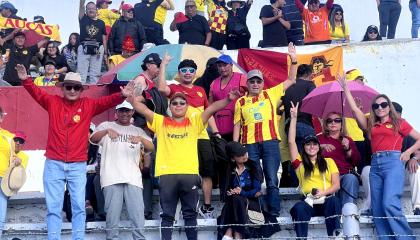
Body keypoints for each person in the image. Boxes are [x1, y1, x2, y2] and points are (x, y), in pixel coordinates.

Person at [16, 63, 134, 240]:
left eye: (76, 88)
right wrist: (26, 80)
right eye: (69, 87)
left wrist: (121, 96)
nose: (72, 90)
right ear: (63, 89)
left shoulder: (88, 105)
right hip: (53, 163)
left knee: (79, 206)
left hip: (77, 165)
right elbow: (36, 93)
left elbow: (107, 101)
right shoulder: (52, 102)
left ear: (81, 90)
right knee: (53, 207)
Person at [128, 87, 240, 240]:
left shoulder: (194, 122)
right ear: (170, 107)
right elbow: (143, 109)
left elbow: (212, 108)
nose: (178, 105)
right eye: (174, 103)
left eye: (182, 103)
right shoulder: (161, 121)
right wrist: (130, 98)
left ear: (187, 107)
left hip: (189, 174)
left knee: (190, 215)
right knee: (167, 215)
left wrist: (228, 99)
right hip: (167, 175)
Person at [338, 75, 420, 240]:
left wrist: (407, 153)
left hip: (393, 162)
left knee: (389, 203)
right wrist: (346, 89)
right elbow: (355, 110)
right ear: (373, 108)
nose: (380, 108)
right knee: (378, 207)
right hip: (376, 164)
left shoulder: (399, 123)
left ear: (389, 107)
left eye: (383, 104)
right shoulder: (371, 124)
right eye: (376, 106)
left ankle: (406, 238)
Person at [233, 43, 297, 223]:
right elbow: (237, 125)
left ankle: (274, 213)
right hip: (249, 144)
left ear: (262, 83)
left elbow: (291, 80)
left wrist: (293, 60)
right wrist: (236, 147)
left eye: (258, 81)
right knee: (254, 180)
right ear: (247, 83)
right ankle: (257, 212)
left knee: (271, 179)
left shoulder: (271, 93)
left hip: (270, 142)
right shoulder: (240, 102)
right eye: (252, 81)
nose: (255, 84)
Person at [157, 56, 220, 218]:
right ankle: (174, 207)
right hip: (182, 136)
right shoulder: (175, 88)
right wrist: (163, 65)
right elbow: (162, 88)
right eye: (184, 70)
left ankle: (206, 207)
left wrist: (216, 132)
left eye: (191, 70)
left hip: (202, 136)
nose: (187, 73)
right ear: (179, 73)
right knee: (182, 172)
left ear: (195, 73)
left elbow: (209, 112)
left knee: (207, 172)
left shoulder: (200, 90)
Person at [90, 101, 154, 240]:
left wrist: (141, 140)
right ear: (116, 112)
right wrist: (106, 132)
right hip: (111, 178)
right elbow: (93, 139)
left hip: (133, 179)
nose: (124, 113)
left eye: (127, 111)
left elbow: (151, 148)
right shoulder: (107, 125)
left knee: (138, 218)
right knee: (112, 219)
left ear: (132, 112)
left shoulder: (138, 130)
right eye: (122, 110)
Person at [288, 102, 342, 238]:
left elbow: (337, 185)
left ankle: (334, 236)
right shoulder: (299, 164)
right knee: (299, 208)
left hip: (326, 200)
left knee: (335, 201)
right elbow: (291, 142)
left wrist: (323, 192)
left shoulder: (329, 162)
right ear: (304, 147)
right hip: (309, 202)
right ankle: (302, 238)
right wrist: (294, 118)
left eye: (314, 144)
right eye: (308, 144)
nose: (311, 147)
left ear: (319, 147)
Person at [217, 141, 263, 239]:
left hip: (250, 203)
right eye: (240, 154)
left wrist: (242, 192)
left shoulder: (253, 166)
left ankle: (230, 232)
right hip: (234, 203)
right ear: (233, 158)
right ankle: (238, 234)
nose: (244, 155)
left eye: (245, 152)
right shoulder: (229, 170)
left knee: (236, 198)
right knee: (234, 197)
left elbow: (257, 190)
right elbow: (225, 192)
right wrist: (230, 192)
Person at [318, 113, 360, 207]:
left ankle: (348, 210)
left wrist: (348, 148)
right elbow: (309, 152)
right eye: (329, 121)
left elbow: (356, 161)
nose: (333, 123)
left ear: (342, 124)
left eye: (337, 120)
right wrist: (321, 147)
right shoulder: (319, 139)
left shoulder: (347, 139)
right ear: (326, 124)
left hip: (343, 175)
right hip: (326, 176)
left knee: (351, 178)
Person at [209, 54, 247, 142]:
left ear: (231, 65)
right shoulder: (214, 83)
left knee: (237, 153)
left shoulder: (242, 78)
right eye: (219, 66)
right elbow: (209, 106)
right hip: (219, 127)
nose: (222, 68)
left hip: (238, 125)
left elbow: (253, 95)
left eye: (225, 65)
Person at [0, 107, 24, 237]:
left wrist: (19, 161)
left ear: (1, 118)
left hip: (2, 178)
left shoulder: (9, 137)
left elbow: (21, 155)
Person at [283, 64, 316, 152]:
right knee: (308, 158)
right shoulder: (309, 84)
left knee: (295, 158)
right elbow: (315, 101)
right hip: (304, 124)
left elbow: (279, 105)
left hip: (289, 127)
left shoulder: (287, 86)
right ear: (308, 75)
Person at [132, 53, 168, 129]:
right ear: (148, 66)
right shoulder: (141, 80)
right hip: (143, 123)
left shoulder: (153, 81)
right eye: (158, 66)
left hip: (152, 121)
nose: (160, 68)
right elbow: (133, 101)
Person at [78, 0, 107, 84]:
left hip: (98, 49)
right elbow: (81, 6)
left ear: (96, 10)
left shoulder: (101, 23)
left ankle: (94, 94)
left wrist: (105, 53)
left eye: (93, 8)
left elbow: (104, 38)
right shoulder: (83, 18)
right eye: (89, 9)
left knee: (95, 74)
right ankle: (80, 93)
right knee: (81, 73)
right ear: (86, 11)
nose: (91, 10)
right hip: (84, 47)